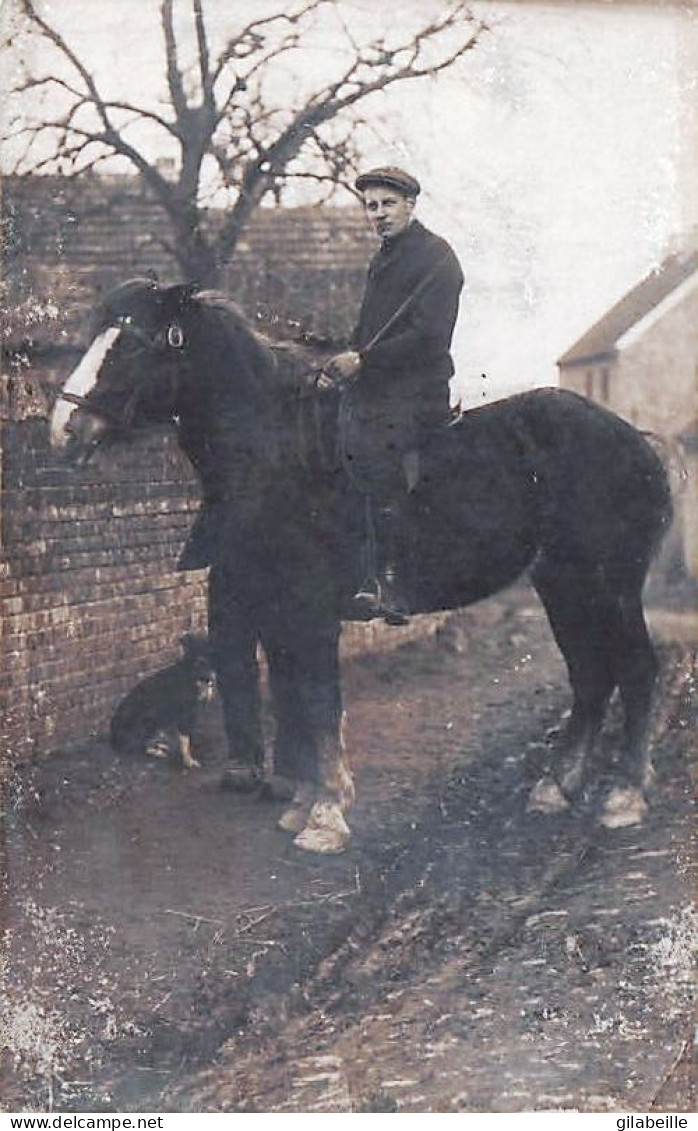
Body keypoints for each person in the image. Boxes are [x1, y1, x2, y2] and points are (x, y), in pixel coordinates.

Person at [324, 166, 464, 624]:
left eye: (388, 204)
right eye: (371, 206)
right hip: (376, 389)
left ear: (410, 205)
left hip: (417, 393)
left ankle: (393, 579)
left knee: (371, 452)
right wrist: (345, 359)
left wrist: (364, 361)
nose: (379, 214)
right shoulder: (383, 258)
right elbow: (370, 330)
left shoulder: (437, 258)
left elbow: (428, 337)